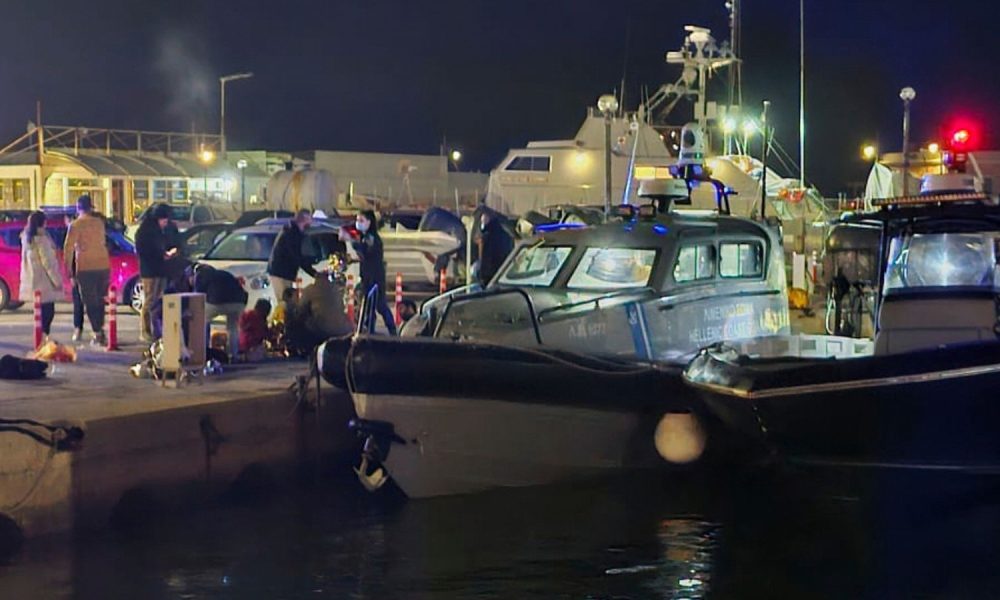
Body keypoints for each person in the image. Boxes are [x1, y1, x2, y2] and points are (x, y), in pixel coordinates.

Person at [63, 195, 110, 346]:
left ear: (78, 208)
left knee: (90, 301)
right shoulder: (99, 223)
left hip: (86, 267)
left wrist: (69, 270)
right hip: (103, 266)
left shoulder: (76, 225)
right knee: (100, 300)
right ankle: (101, 329)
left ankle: (97, 332)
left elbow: (68, 249)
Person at [340, 209, 396, 335]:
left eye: (361, 220)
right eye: (357, 220)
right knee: (371, 307)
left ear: (370, 222)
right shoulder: (366, 237)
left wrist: (352, 240)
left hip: (374, 278)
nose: (358, 223)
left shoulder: (371, 238)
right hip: (370, 276)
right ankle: (373, 330)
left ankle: (389, 331)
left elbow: (366, 252)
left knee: (378, 305)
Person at [188, 264, 249, 361]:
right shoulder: (223, 273)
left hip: (217, 302)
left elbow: (198, 295)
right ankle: (234, 355)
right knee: (233, 328)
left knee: (202, 320)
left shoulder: (200, 275)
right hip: (238, 302)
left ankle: (203, 352)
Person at [19, 211, 63, 340]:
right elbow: (48, 262)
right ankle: (43, 337)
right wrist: (57, 281)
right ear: (42, 222)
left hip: (34, 280)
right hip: (44, 281)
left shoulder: (27, 239)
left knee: (40, 312)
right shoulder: (42, 239)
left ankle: (42, 337)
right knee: (48, 311)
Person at [135, 203, 174, 342]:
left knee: (159, 301)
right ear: (158, 218)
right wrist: (161, 255)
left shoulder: (159, 231)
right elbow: (144, 251)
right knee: (150, 301)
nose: (166, 223)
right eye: (164, 220)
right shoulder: (145, 232)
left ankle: (157, 329)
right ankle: (145, 331)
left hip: (160, 269)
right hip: (150, 271)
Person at [266, 209, 316, 303]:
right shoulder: (292, 233)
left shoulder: (293, 231)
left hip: (284, 272)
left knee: (288, 301)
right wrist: (313, 273)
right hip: (280, 272)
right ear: (304, 219)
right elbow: (296, 255)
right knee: (284, 302)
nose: (312, 221)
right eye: (310, 218)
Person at [478, 209, 514, 284]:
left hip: (491, 271)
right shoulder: (505, 232)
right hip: (500, 269)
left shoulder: (487, 234)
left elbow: (485, 255)